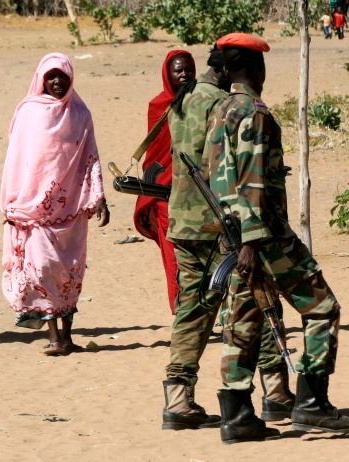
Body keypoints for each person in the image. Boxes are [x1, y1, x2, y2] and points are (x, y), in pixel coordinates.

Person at [207, 32, 349, 443]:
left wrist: (238, 239)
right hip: (262, 237)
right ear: (256, 67)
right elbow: (250, 179)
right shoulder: (253, 112)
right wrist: (252, 240)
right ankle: (311, 403)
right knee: (323, 307)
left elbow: (221, 178)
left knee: (243, 322)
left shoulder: (222, 111)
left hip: (233, 237)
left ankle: (236, 416)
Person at [162, 44, 295, 432]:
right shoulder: (226, 105)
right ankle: (275, 390)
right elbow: (232, 167)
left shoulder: (183, 99)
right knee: (257, 300)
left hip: (184, 222)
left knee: (193, 308)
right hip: (220, 224)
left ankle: (178, 397)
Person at [1, 53, 110, 356]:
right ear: (42, 79)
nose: (58, 82)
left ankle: (67, 336)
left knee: (69, 273)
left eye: (62, 76)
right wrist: (11, 200)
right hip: (33, 209)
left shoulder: (80, 113)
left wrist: (98, 196)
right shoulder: (27, 113)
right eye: (51, 77)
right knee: (43, 270)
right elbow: (16, 159)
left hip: (71, 208)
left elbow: (90, 158)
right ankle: (52, 337)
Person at [133, 50, 196, 315]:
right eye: (178, 71)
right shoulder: (158, 106)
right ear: (167, 74)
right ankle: (181, 313)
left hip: (198, 195)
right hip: (165, 195)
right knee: (173, 258)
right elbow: (155, 154)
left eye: (188, 70)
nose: (184, 75)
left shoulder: (203, 103)